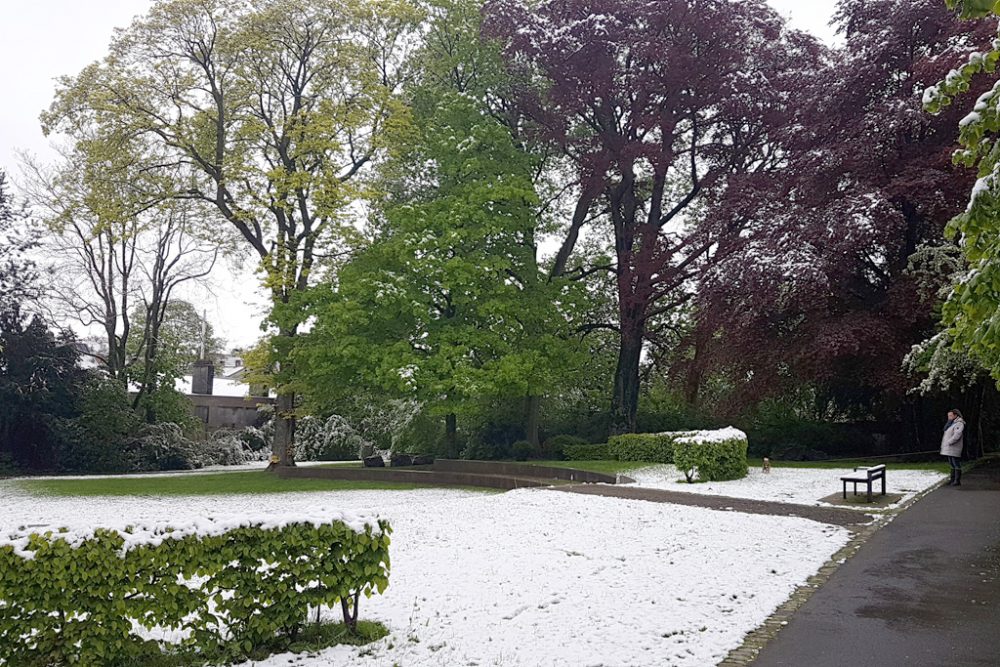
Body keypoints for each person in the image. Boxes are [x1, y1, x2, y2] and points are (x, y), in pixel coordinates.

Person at [941, 409, 966, 486]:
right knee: (951, 463)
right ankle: (952, 479)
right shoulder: (950, 424)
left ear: (956, 415)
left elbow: (957, 435)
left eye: (950, 415)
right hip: (949, 447)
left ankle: (957, 480)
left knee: (956, 463)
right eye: (948, 416)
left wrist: (950, 441)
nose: (949, 417)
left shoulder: (959, 423)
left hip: (954, 447)